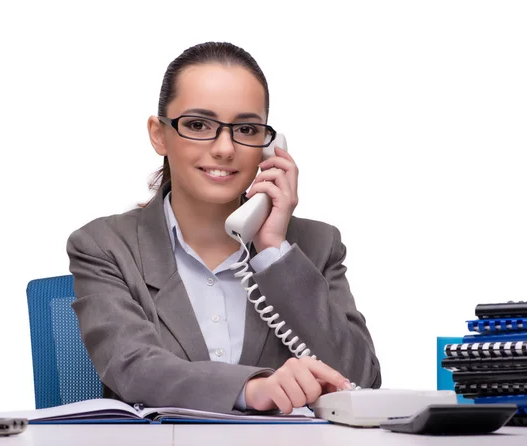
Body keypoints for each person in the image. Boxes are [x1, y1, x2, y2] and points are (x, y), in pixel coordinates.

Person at [66, 41, 381, 415]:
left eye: (246, 129)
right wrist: (251, 388)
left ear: (268, 146)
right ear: (159, 134)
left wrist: (274, 252)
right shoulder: (104, 246)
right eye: (198, 124)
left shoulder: (316, 245)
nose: (225, 148)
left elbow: (361, 378)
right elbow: (133, 368)